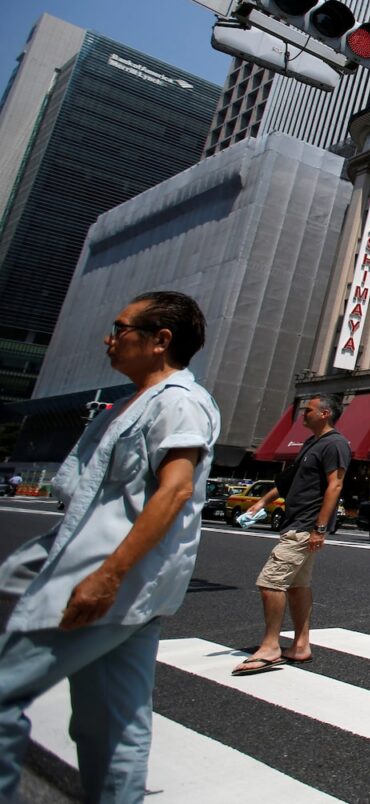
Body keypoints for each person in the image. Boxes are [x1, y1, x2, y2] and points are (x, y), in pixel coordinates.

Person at [0, 291, 219, 800]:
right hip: (124, 587)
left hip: (105, 580)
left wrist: (109, 574)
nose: (110, 338)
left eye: (121, 328)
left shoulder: (179, 402)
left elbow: (177, 489)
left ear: (160, 341)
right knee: (114, 727)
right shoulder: (136, 403)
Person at [233, 394, 352, 674]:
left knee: (270, 583)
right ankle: (300, 645)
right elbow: (288, 481)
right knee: (298, 586)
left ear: (325, 414)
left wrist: (320, 528)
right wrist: (261, 502)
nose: (302, 414)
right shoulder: (312, 443)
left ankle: (271, 646)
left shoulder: (335, 444)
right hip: (298, 523)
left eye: (308, 410)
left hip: (304, 526)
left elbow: (335, 486)